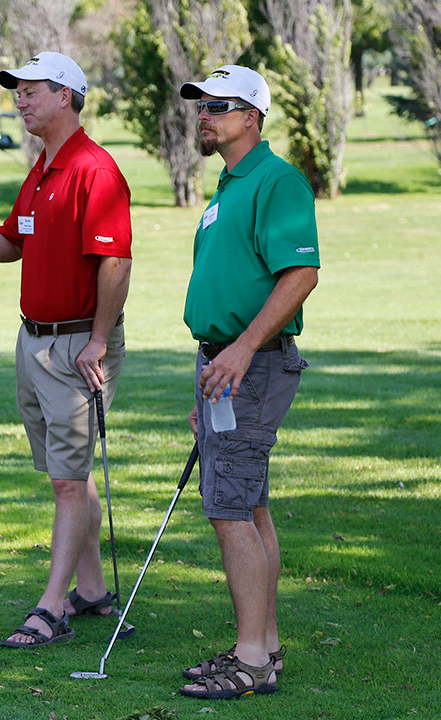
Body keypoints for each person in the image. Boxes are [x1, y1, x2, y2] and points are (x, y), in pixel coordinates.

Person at [0, 52, 133, 647]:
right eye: (18, 91)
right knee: (65, 472)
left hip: (79, 342)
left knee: (67, 481)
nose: (20, 100)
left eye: (32, 91)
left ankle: (51, 607)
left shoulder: (93, 170)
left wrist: (99, 341)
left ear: (67, 97)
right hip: (35, 341)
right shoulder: (42, 169)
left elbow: (116, 261)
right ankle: (95, 590)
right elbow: (11, 245)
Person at [176, 65, 319, 699]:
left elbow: (300, 275)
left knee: (229, 509)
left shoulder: (277, 180)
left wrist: (240, 349)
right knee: (251, 505)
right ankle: (263, 645)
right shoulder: (229, 185)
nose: (203, 115)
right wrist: (207, 377)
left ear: (251, 117)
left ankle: (253, 660)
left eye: (218, 106)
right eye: (200, 106)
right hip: (224, 364)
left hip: (251, 364)